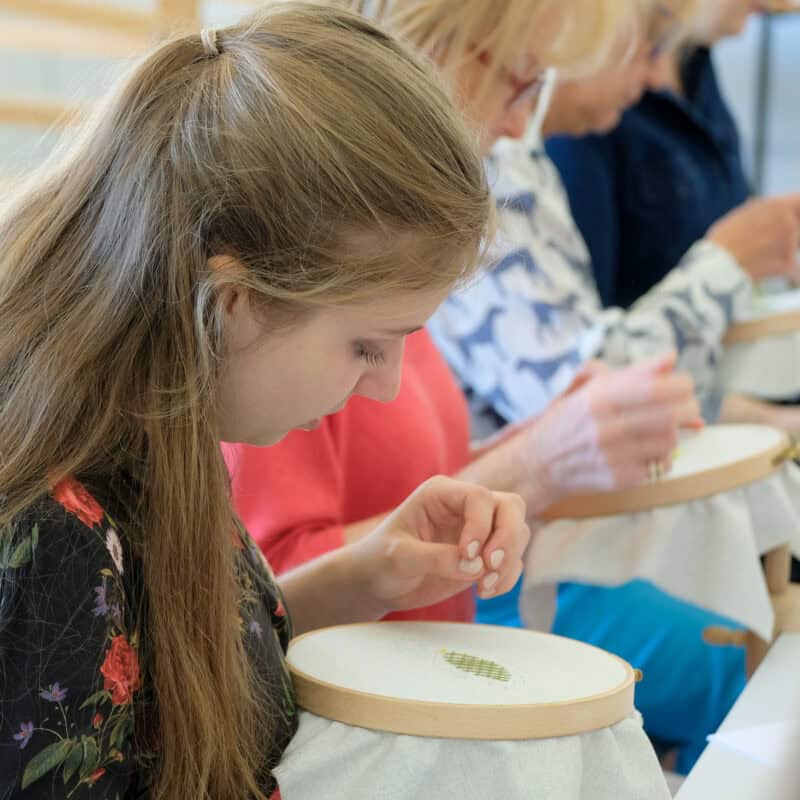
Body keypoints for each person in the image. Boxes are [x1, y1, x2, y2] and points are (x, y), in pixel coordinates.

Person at [0, 5, 539, 798]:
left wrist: (362, 580)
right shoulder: (55, 537)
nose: (385, 386)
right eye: (367, 346)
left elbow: (169, 669)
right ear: (232, 302)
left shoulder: (163, 414)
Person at [225, 0, 700, 635]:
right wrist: (535, 464)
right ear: (436, 48)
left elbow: (405, 488)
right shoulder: (311, 279)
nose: (521, 122)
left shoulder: (390, 280)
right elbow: (259, 600)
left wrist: (540, 443)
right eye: (521, 80)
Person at [427, 0, 800, 772]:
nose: (655, 74)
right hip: (528, 556)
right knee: (759, 669)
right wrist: (727, 260)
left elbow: (587, 382)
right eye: (645, 44)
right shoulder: (490, 169)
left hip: (551, 531)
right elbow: (586, 389)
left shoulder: (517, 154)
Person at [547, 0, 761, 308]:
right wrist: (728, 258)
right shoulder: (581, 123)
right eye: (652, 48)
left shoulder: (696, 64)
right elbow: (586, 336)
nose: (655, 76)